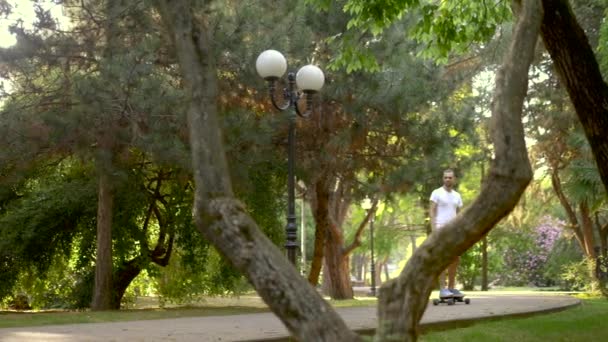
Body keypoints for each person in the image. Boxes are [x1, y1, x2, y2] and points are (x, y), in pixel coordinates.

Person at [429, 169, 463, 294]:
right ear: (443, 179)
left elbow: (459, 215)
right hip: (440, 229)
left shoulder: (457, 196)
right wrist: (434, 230)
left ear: (454, 179)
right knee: (442, 258)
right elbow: (432, 211)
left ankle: (451, 287)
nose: (448, 179)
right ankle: (442, 289)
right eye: (445, 177)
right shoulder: (436, 193)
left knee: (455, 258)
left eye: (450, 177)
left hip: (454, 231)